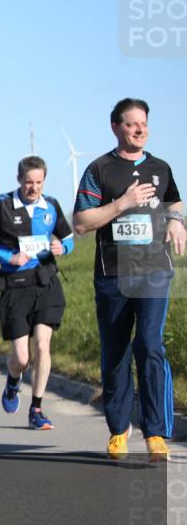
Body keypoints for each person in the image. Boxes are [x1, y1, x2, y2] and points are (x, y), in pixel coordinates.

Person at [72, 98, 184, 461]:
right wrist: (122, 203)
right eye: (132, 124)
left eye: (145, 124)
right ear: (116, 127)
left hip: (154, 271)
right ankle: (119, 429)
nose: (140, 129)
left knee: (150, 344)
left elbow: (173, 203)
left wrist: (177, 223)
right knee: (116, 351)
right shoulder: (99, 169)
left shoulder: (161, 168)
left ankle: (156, 433)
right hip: (113, 275)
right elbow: (81, 223)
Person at [0, 156, 73, 431]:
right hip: (15, 286)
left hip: (46, 283)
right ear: (19, 180)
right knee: (21, 359)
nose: (34, 188)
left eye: (39, 182)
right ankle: (13, 381)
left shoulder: (51, 206)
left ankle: (37, 408)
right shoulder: (2, 204)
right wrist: (8, 256)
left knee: (43, 345)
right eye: (29, 182)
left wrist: (63, 249)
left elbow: (68, 239)